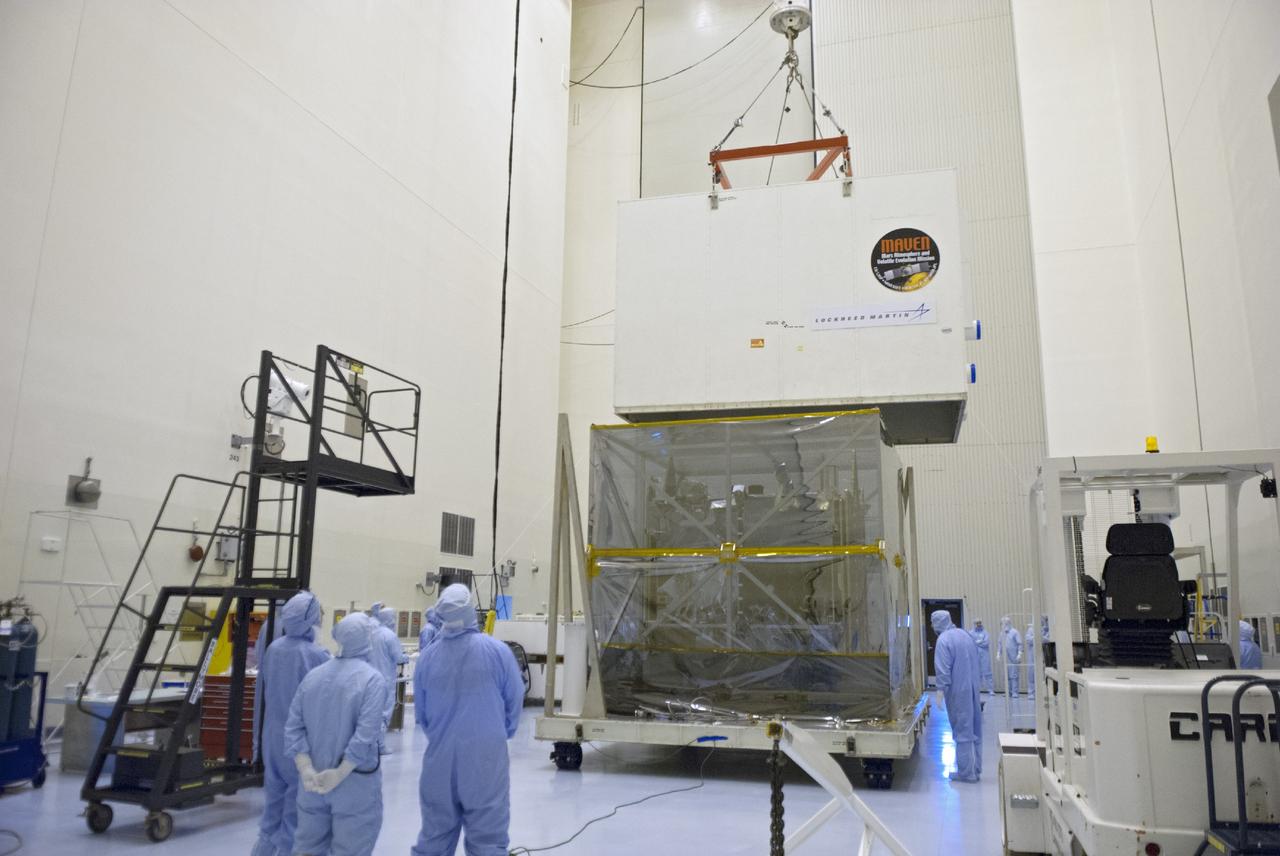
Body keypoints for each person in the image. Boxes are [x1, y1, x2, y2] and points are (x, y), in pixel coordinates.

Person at [411, 584, 524, 856]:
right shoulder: (497, 652)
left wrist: (443, 736)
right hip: (485, 757)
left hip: (439, 760)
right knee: (487, 839)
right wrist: (502, 731)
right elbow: (515, 697)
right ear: (470, 610)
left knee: (434, 837)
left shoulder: (427, 658)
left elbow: (422, 715)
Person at [286, 612, 385, 856]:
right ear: (367, 639)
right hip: (354, 786)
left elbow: (293, 727)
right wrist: (340, 773)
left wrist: (305, 768)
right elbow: (365, 735)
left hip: (312, 785)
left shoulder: (314, 676)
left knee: (307, 848)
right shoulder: (372, 680)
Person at [251, 592, 331, 856]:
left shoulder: (274, 648)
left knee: (272, 805)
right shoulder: (317, 655)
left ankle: (262, 850)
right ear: (310, 619)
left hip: (272, 737)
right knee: (295, 811)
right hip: (300, 744)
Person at [932, 610, 983, 783]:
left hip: (958, 691)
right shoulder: (965, 634)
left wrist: (940, 690)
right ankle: (976, 769)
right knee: (975, 729)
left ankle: (966, 773)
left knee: (962, 730)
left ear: (938, 623)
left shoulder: (943, 640)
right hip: (973, 688)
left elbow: (943, 668)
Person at [372, 606, 410, 747]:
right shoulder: (389, 635)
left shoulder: (373, 633)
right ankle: (380, 745)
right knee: (384, 712)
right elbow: (398, 657)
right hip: (386, 679)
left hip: (372, 679)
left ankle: (372, 743)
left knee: (373, 712)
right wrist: (406, 657)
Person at [1000, 616, 1023, 695]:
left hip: (1014, 657)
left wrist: (1019, 653)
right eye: (1002, 623)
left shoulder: (1015, 632)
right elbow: (1000, 644)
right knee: (1006, 675)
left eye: (1005, 623)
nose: (1003, 625)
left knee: (1014, 675)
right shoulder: (1002, 633)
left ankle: (1015, 692)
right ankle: (1008, 691)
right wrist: (998, 653)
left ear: (1009, 623)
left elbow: (1020, 643)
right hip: (1006, 657)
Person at [970, 619, 993, 693]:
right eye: (977, 623)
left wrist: (977, 643)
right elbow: (971, 643)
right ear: (974, 624)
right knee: (977, 672)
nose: (979, 624)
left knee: (988, 672)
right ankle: (978, 689)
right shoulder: (971, 633)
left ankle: (991, 690)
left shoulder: (985, 632)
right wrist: (980, 642)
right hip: (975, 654)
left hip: (985, 654)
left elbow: (986, 643)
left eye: (980, 623)